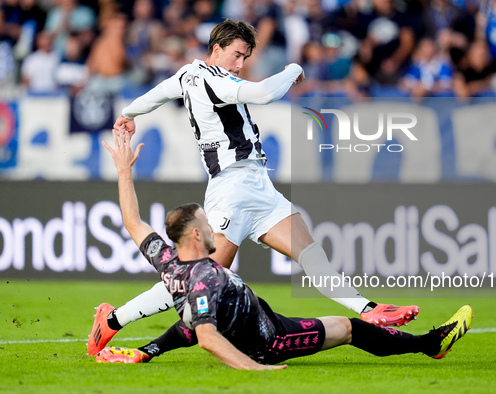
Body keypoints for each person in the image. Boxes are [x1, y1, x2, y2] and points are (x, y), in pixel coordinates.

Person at [87, 19, 420, 356]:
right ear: (216, 49)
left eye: (245, 57)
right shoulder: (213, 80)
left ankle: (367, 309)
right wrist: (293, 69)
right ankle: (114, 319)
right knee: (200, 278)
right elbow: (263, 93)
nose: (240, 64)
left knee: (310, 253)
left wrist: (129, 112)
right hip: (232, 191)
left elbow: (159, 93)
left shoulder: (189, 74)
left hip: (258, 185)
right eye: (236, 55)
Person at [94, 126, 472, 369]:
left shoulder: (169, 262)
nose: (215, 228)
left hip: (265, 320)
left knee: (346, 327)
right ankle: (431, 344)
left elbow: (133, 221)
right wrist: (257, 367)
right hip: (270, 340)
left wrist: (124, 171)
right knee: (349, 329)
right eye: (208, 223)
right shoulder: (205, 277)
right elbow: (204, 337)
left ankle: (118, 328)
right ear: (195, 235)